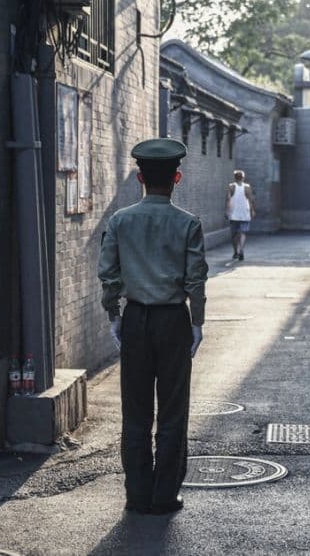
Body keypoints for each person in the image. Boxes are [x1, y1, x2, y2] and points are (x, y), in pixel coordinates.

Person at [98, 138, 209, 515]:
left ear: (139, 177)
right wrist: (197, 322)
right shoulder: (188, 224)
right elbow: (196, 279)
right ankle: (165, 495)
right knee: (173, 411)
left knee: (136, 410)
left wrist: (114, 315)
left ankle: (136, 494)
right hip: (172, 320)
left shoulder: (120, 220)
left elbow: (108, 274)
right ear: (176, 177)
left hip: (135, 319)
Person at [226, 169, 256, 260]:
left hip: (234, 213)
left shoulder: (231, 187)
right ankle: (241, 250)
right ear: (243, 177)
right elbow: (251, 200)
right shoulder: (247, 187)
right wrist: (252, 210)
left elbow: (228, 200)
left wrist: (227, 211)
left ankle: (235, 252)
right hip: (244, 212)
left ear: (235, 177)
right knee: (242, 232)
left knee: (234, 234)